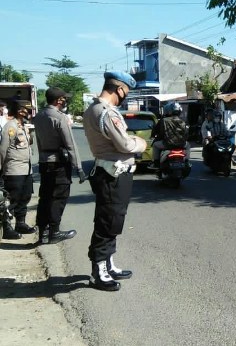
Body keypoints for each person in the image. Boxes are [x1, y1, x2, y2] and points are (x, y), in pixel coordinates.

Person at [83, 71, 147, 291]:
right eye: (126, 92)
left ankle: (108, 263)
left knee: (112, 220)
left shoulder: (92, 109)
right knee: (108, 222)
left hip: (109, 173)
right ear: (119, 89)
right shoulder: (107, 113)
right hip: (114, 175)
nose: (125, 96)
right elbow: (125, 145)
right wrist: (140, 143)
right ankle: (98, 271)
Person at [32, 87, 86, 244]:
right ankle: (54, 232)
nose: (65, 101)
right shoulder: (59, 117)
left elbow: (40, 142)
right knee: (59, 197)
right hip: (59, 163)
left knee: (45, 197)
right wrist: (79, 167)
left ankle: (43, 232)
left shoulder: (39, 116)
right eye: (64, 99)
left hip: (45, 162)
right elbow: (70, 144)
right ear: (58, 101)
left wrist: (43, 158)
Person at [0, 100, 36, 239]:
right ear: (20, 110)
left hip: (26, 169)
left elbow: (29, 143)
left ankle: (20, 223)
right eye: (27, 110)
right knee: (12, 199)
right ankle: (7, 227)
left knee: (25, 197)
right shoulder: (11, 126)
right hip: (14, 170)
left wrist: (31, 130)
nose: (29, 112)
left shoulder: (23, 126)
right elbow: (3, 149)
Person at [150, 102, 190, 168]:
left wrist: (153, 136)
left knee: (155, 145)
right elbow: (186, 134)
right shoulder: (183, 121)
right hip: (181, 144)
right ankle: (187, 162)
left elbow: (155, 131)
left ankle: (156, 163)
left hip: (167, 144)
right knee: (188, 145)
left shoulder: (163, 120)